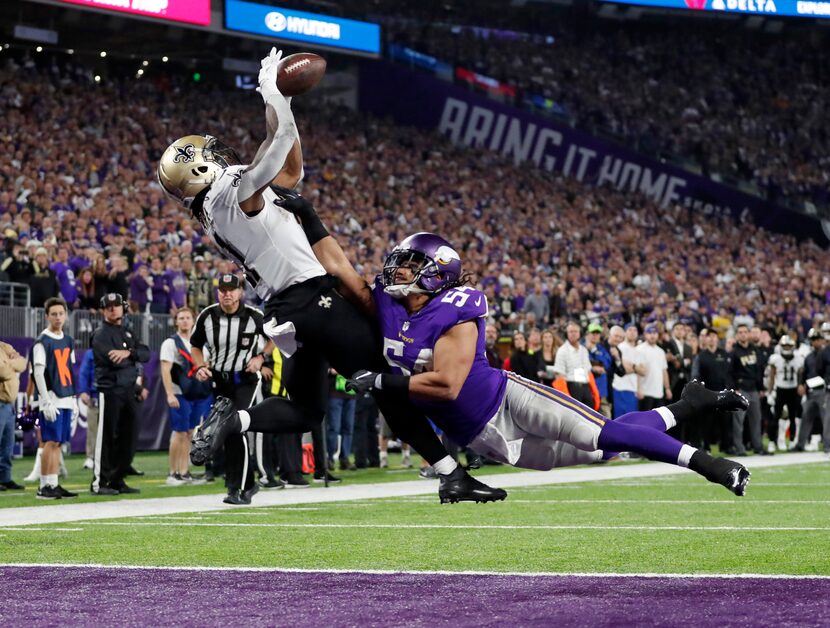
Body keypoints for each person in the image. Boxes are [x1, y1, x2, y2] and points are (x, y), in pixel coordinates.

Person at [158, 47, 503, 504]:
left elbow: (291, 167)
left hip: (287, 311)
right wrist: (272, 93)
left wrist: (282, 103)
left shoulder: (221, 202)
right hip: (312, 301)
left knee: (305, 411)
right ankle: (450, 474)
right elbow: (276, 148)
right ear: (201, 169)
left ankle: (236, 419)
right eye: (207, 154)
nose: (217, 153)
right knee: (385, 378)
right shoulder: (228, 193)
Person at [340, 232, 752, 496]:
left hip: (508, 399)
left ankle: (709, 465)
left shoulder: (456, 306)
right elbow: (337, 267)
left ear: (436, 273)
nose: (400, 268)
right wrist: (305, 216)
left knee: (607, 436)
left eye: (412, 263)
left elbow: (446, 384)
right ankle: (690, 403)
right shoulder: (389, 305)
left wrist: (378, 380)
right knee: (606, 449)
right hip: (481, 437)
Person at [190, 275, 273, 505]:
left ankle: (237, 487)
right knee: (223, 432)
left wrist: (261, 356)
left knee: (237, 428)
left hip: (245, 379)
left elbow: (275, 336)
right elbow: (195, 345)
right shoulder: (208, 315)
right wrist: (199, 366)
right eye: (223, 290)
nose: (227, 294)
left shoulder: (254, 316)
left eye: (231, 290)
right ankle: (246, 484)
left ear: (240, 292)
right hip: (220, 380)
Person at [90, 292, 150, 496]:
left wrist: (129, 353)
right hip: (110, 390)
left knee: (129, 437)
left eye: (116, 305)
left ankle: (117, 478)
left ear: (123, 308)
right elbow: (113, 360)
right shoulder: (100, 334)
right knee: (107, 437)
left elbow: (146, 353)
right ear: (103, 311)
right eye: (109, 307)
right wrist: (132, 356)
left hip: (129, 390)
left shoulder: (128, 331)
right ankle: (100, 482)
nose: (113, 309)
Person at [31, 298, 78, 499]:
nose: (58, 318)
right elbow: (38, 374)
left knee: (58, 442)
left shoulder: (68, 340)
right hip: (52, 396)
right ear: (47, 316)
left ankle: (53, 482)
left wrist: (74, 398)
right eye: (54, 314)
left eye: (61, 313)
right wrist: (45, 400)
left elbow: (69, 368)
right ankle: (44, 486)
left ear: (66, 314)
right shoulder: (42, 342)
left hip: (66, 395)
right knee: (50, 441)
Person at [160, 307, 212, 485]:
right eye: (181, 318)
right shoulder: (170, 343)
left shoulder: (200, 345)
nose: (184, 321)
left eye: (188, 318)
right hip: (179, 392)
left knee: (190, 433)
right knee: (179, 432)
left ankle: (184, 471)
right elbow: (165, 370)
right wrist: (169, 394)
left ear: (193, 320)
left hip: (196, 393)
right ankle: (172, 473)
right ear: (176, 321)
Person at [729, 323, 767, 456]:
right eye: (740, 332)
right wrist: (734, 389)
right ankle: (739, 448)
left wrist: (761, 387)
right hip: (741, 390)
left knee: (756, 420)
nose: (743, 334)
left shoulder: (754, 350)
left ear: (748, 334)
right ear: (737, 335)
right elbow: (730, 373)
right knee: (738, 422)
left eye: (745, 332)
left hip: (754, 390)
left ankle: (758, 446)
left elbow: (759, 370)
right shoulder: (734, 352)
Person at [766, 335, 804, 452]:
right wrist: (770, 392)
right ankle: (772, 441)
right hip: (781, 389)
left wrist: (800, 388)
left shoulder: (799, 358)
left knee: (793, 417)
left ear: (793, 346)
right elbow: (772, 377)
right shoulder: (775, 358)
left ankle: (792, 441)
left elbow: (800, 375)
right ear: (781, 346)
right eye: (785, 346)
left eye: (789, 346)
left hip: (793, 390)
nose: (787, 348)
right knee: (776, 417)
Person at [796, 328, 829, 454]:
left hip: (823, 390)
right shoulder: (808, 357)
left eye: (818, 339)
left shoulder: (826, 353)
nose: (816, 342)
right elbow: (804, 373)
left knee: (826, 419)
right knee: (806, 417)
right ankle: (800, 444)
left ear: (822, 340)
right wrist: (801, 384)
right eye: (813, 340)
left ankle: (827, 445)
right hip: (810, 391)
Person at [0, 339, 27, 492]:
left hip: (9, 404)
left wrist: (7, 364)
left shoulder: (4, 346)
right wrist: (12, 364)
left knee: (7, 445)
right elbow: (1, 372)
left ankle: (5, 478)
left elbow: (23, 363)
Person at [636, 324, 671, 411]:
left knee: (656, 421)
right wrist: (638, 388)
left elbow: (664, 371)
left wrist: (667, 388)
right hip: (645, 392)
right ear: (645, 334)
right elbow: (636, 372)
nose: (652, 335)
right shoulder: (639, 349)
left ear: (658, 335)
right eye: (649, 332)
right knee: (644, 421)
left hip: (659, 393)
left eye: (654, 333)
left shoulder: (661, 351)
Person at [78, 349, 98, 470]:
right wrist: (83, 390)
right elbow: (84, 372)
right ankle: (91, 457)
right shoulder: (91, 354)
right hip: (95, 396)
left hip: (111, 395)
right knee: (93, 428)